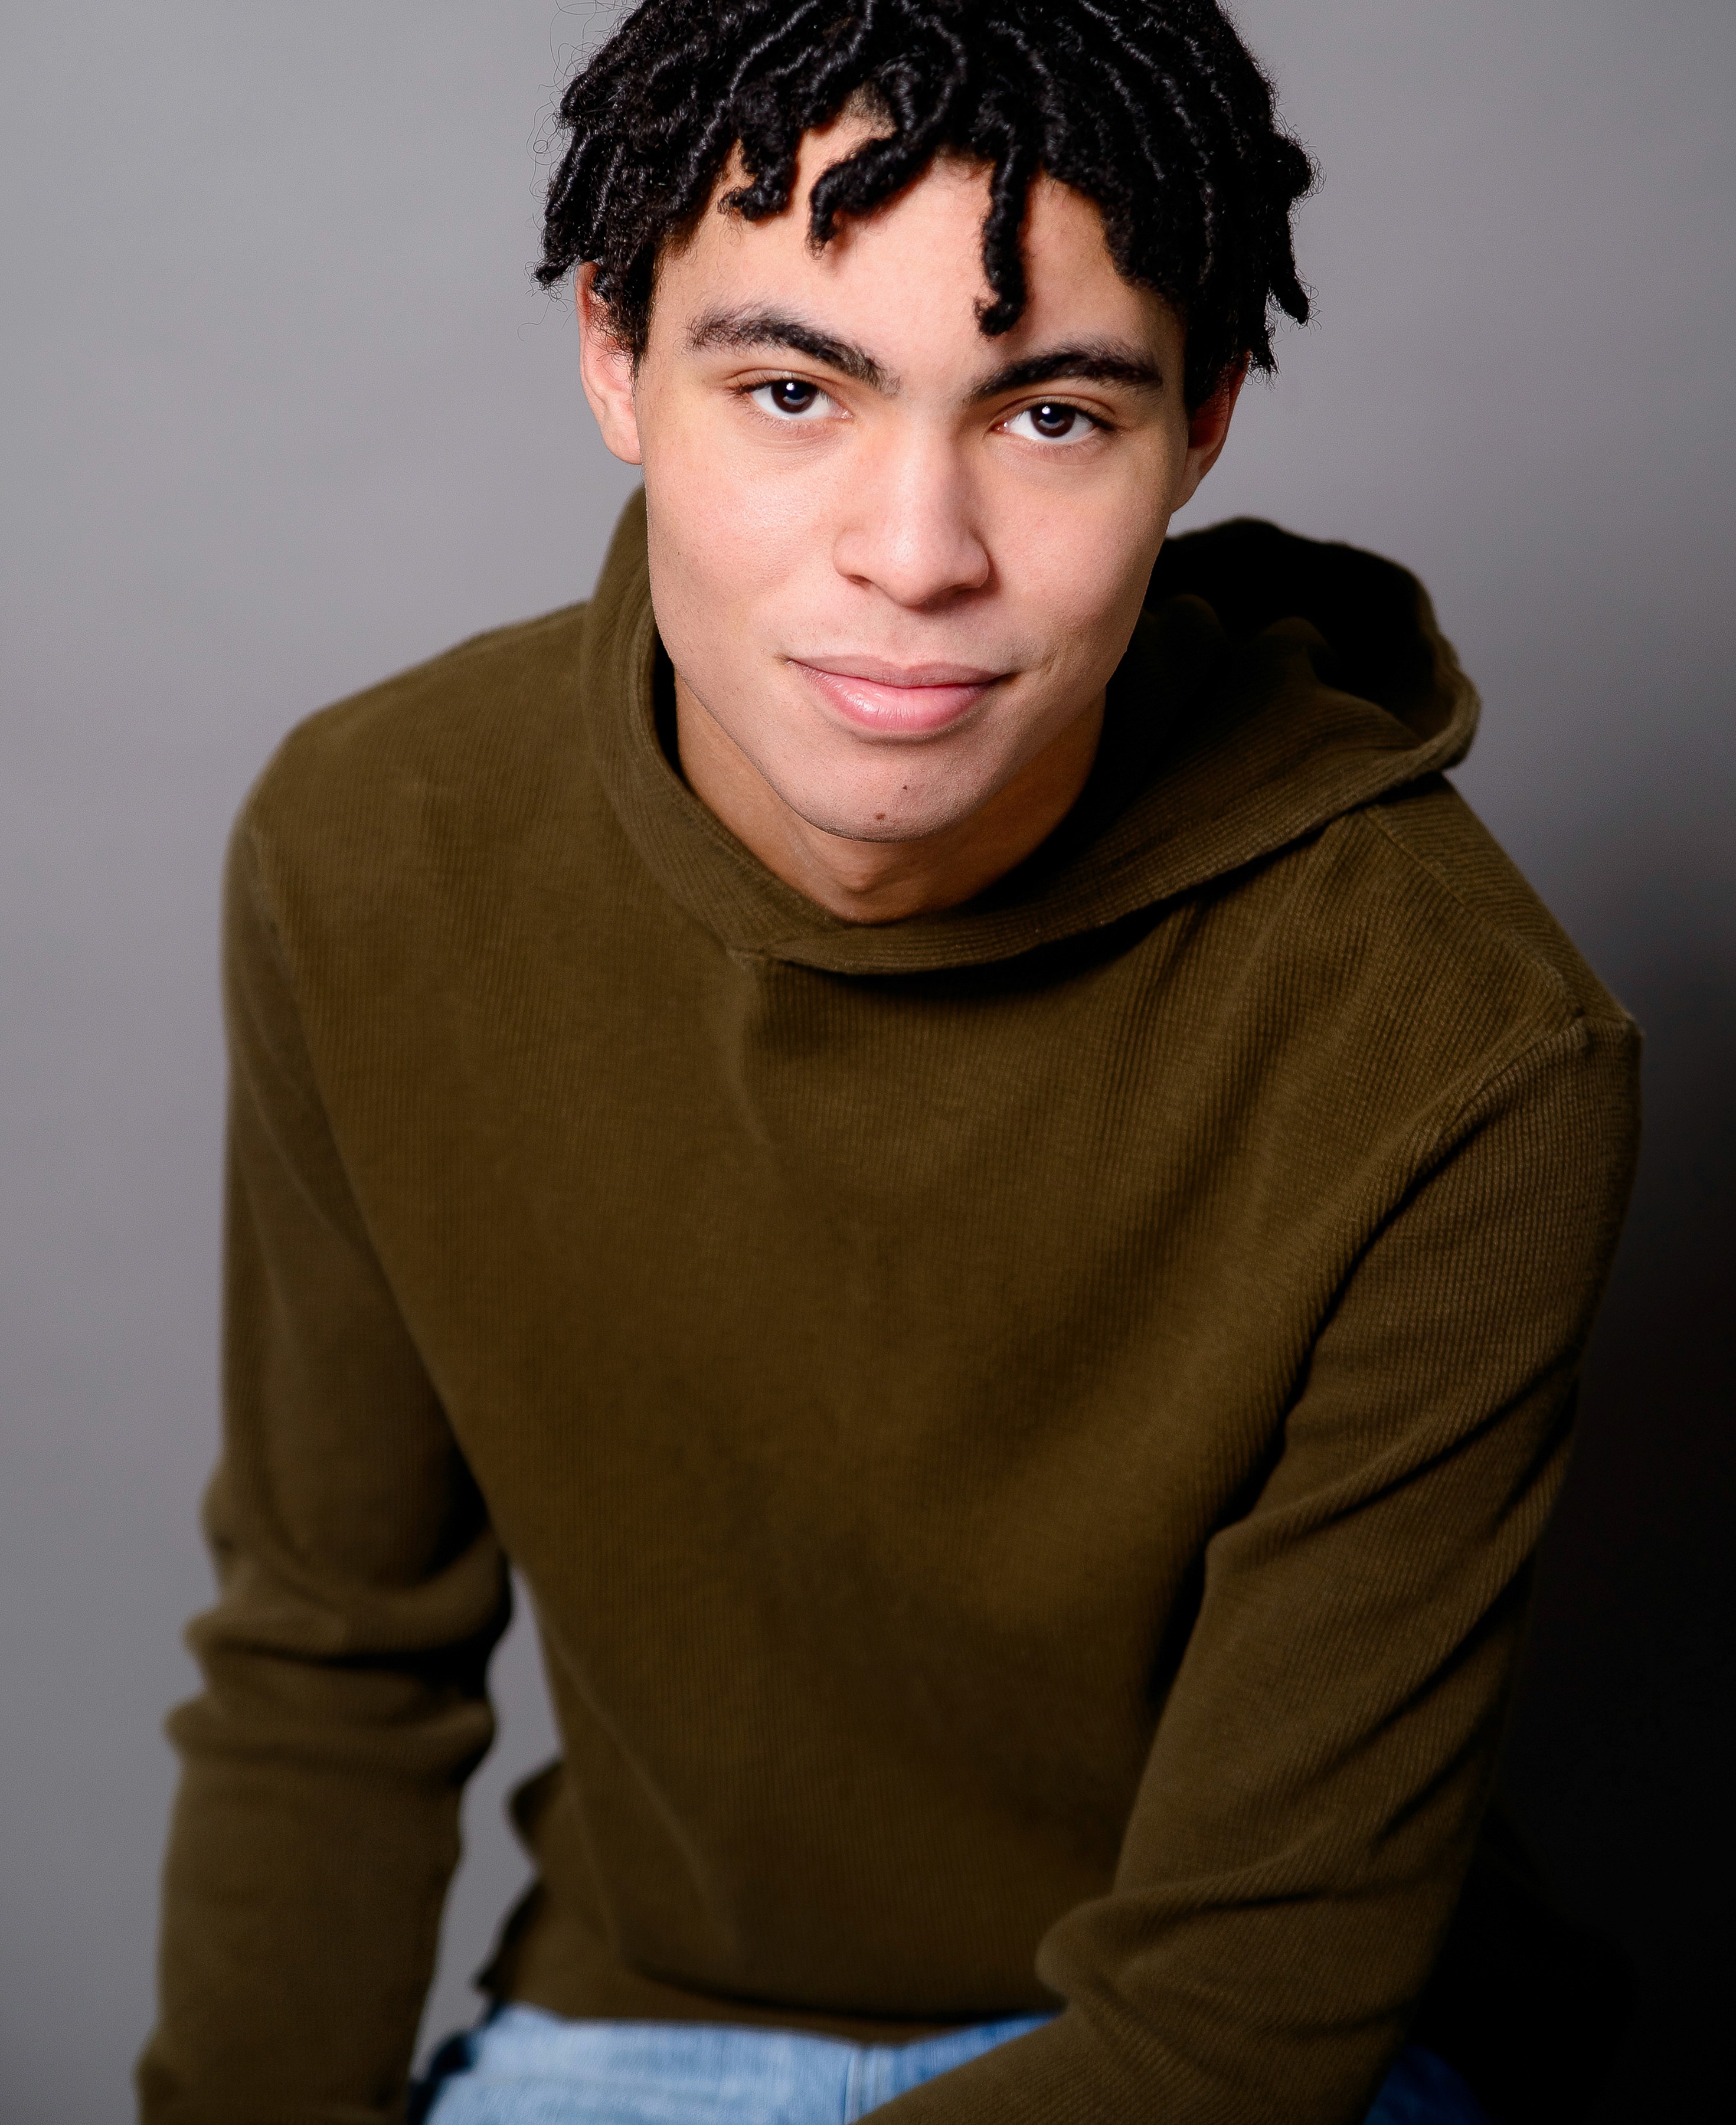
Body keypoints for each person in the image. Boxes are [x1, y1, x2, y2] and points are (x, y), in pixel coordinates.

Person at [138, 4, 1640, 2121]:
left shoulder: (1465, 1042)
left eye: (1048, 419)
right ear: (610, 358)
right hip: (640, 2022)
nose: (915, 555)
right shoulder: (371, 849)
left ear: (1204, 424)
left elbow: (1234, 2019)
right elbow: (332, 1663)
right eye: (789, 391)